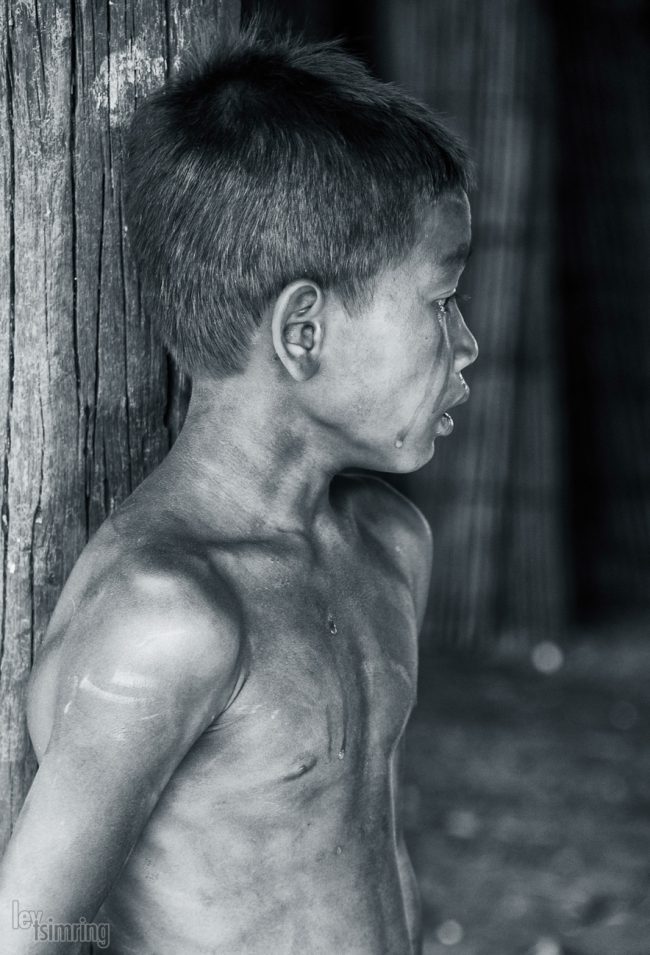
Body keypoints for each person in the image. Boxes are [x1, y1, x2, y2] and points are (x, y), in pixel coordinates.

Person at [0, 18, 477, 955]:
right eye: (440, 300)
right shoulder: (168, 617)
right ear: (303, 331)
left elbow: (350, 851)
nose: (466, 345)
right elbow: (29, 930)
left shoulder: (387, 545)